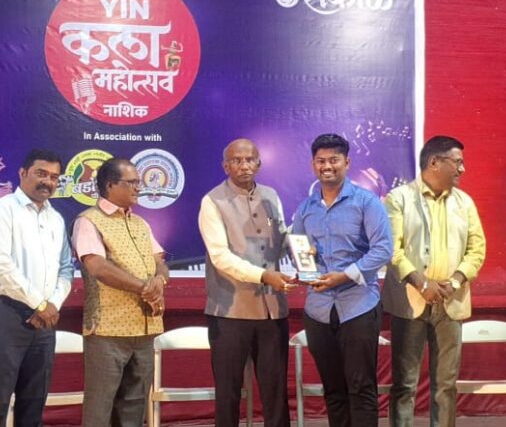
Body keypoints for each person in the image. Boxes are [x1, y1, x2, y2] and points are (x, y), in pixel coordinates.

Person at [382, 136, 486, 426]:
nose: (463, 169)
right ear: (434, 162)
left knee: (446, 385)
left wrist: (455, 281)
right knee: (405, 384)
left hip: (451, 301)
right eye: (458, 162)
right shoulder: (399, 199)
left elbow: (477, 249)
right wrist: (422, 283)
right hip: (410, 301)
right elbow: (392, 249)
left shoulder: (465, 202)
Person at [291, 133, 393, 427]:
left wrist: (344, 276)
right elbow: (298, 249)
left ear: (347, 163)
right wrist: (305, 262)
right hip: (319, 310)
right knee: (333, 389)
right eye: (321, 161)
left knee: (361, 387)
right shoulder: (306, 208)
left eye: (333, 160)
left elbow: (383, 249)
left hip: (358, 306)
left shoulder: (366, 202)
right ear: (313, 164)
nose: (327, 166)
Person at [198, 138, 296, 427]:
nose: (244, 166)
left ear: (259, 164)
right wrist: (263, 276)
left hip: (272, 311)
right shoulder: (212, 201)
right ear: (225, 166)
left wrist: (303, 248)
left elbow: (281, 238)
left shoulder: (271, 195)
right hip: (230, 312)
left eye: (249, 159)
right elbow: (220, 257)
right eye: (237, 160)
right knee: (228, 393)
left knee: (275, 391)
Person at [0, 149, 74, 427]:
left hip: (45, 320)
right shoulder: (2, 209)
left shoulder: (55, 218)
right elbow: (1, 264)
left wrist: (52, 304)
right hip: (7, 315)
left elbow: (66, 268)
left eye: (54, 177)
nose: (48, 182)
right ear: (22, 173)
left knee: (34, 403)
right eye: (41, 174)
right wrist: (40, 304)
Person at [72, 157, 170, 427]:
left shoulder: (140, 223)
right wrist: (143, 287)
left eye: (138, 182)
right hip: (107, 329)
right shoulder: (88, 221)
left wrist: (160, 281)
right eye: (132, 182)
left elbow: (160, 260)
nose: (139, 187)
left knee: (135, 405)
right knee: (101, 405)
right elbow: (98, 267)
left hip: (146, 328)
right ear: (110, 185)